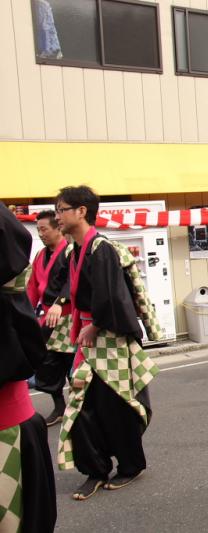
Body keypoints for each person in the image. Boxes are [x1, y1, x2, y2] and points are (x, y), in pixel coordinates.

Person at [54, 186, 160, 500]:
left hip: (106, 337)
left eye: (61, 209)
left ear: (81, 211)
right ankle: (96, 469)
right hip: (88, 337)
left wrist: (95, 325)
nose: (57, 216)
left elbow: (112, 295)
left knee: (115, 406)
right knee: (83, 407)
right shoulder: (75, 250)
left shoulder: (101, 248)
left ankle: (129, 465)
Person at [0, 202, 58, 533]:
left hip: (71, 333)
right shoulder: (41, 256)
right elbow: (30, 287)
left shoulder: (97, 249)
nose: (45, 230)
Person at [26, 209, 76, 426]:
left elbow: (72, 282)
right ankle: (59, 407)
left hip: (68, 317)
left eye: (44, 229)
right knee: (47, 364)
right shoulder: (39, 255)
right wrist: (24, 312)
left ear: (58, 229)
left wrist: (60, 302)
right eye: (38, 230)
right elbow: (32, 288)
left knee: (73, 366)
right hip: (47, 319)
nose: (41, 234)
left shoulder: (71, 251)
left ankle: (79, 409)